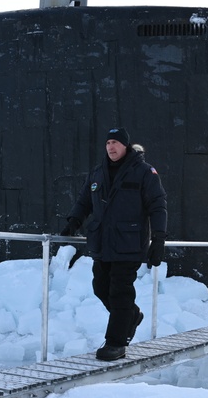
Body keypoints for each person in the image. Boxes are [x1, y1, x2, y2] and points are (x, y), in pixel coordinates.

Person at [61, 128, 167, 360]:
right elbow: (84, 201)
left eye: (116, 142)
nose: (111, 147)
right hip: (103, 242)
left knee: (120, 292)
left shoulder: (144, 172)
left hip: (129, 243)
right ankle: (131, 316)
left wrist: (159, 237)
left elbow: (157, 205)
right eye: (108, 142)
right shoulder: (98, 173)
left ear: (126, 146)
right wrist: (74, 221)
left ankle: (115, 343)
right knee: (100, 287)